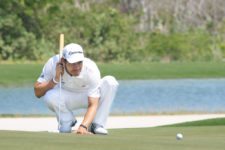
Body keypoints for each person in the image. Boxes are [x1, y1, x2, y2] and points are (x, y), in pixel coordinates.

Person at [34, 43, 119, 135]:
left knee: (110, 82)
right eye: (73, 63)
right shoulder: (53, 63)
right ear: (63, 61)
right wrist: (55, 79)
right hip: (66, 97)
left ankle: (96, 124)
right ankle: (67, 121)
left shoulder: (91, 68)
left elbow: (93, 104)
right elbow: (37, 92)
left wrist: (83, 126)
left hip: (88, 96)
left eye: (79, 62)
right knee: (49, 96)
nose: (77, 67)